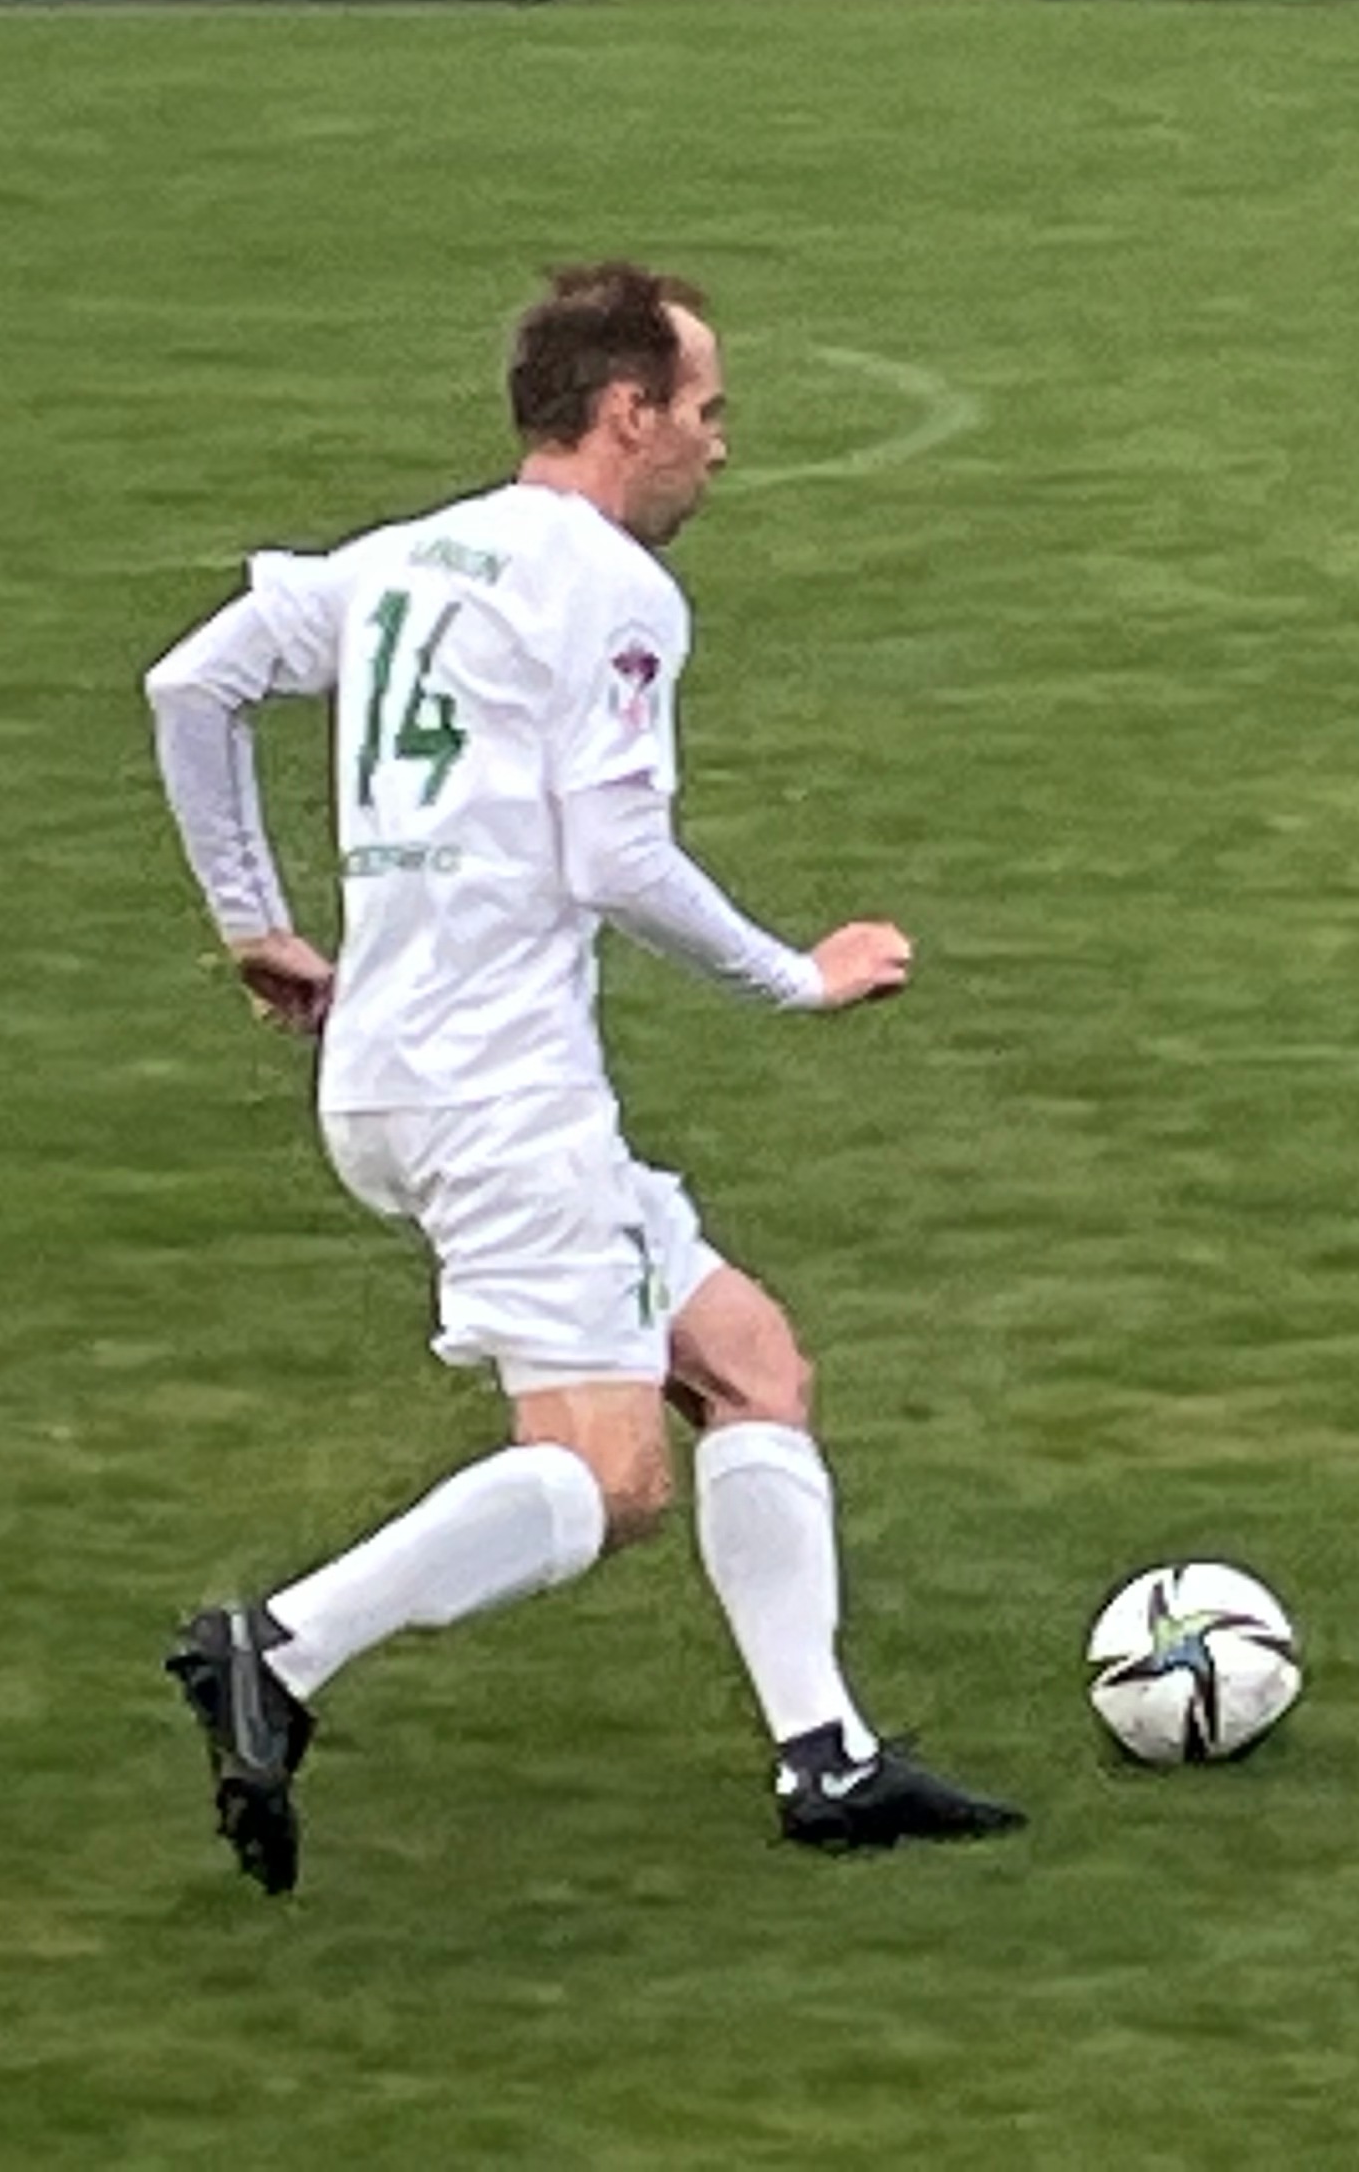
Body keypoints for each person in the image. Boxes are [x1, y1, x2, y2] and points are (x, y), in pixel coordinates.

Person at [141, 263, 1019, 1894]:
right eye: (706, 411)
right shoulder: (609, 587)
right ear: (628, 413)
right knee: (609, 1473)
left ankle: (826, 1754)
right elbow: (615, 856)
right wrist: (798, 974)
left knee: (748, 1360)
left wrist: (252, 918)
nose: (719, 446)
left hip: (393, 1075)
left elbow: (190, 682)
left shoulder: (402, 558)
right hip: (502, 1095)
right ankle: (280, 1647)